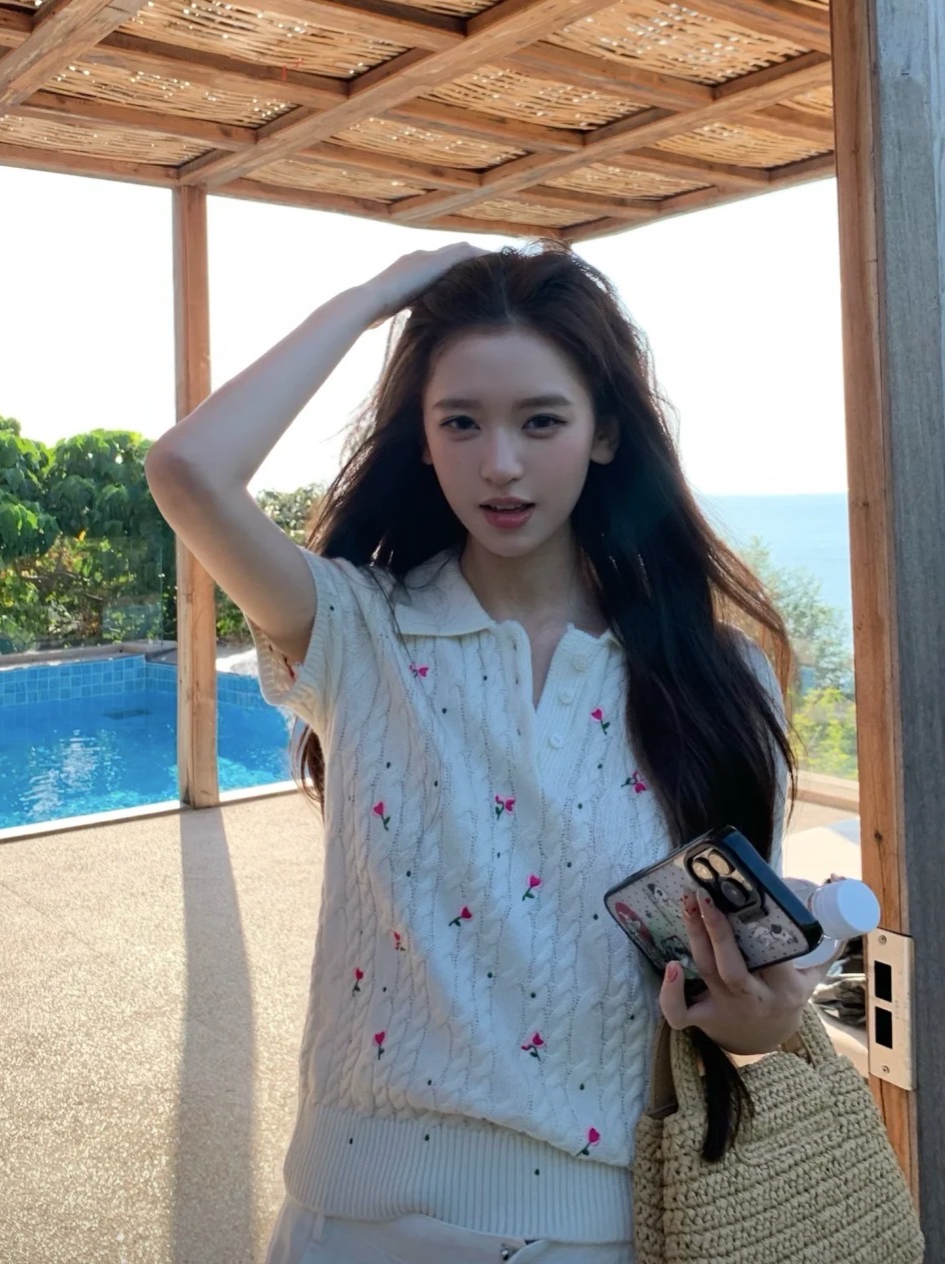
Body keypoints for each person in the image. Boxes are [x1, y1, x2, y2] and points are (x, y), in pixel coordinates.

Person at [146, 240, 829, 1264]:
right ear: (421, 440)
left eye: (540, 421)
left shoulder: (716, 678)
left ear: (604, 433)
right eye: (459, 421)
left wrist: (758, 1015)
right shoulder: (358, 630)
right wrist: (377, 297)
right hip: (350, 1225)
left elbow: (740, 1018)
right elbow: (187, 469)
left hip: (600, 1233)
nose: (498, 463)